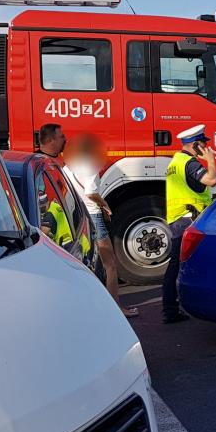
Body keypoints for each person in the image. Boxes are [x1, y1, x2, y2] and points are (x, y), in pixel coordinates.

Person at [64, 135, 138, 317]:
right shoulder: (90, 165)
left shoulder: (68, 166)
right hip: (94, 216)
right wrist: (104, 205)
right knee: (110, 264)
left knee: (87, 262)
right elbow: (91, 192)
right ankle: (117, 308)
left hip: (78, 216)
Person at [161, 124, 216, 324]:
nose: (206, 148)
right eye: (203, 144)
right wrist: (211, 161)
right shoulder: (191, 163)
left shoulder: (176, 161)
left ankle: (171, 308)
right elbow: (212, 180)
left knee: (177, 265)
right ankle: (174, 309)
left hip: (179, 219)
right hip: (188, 219)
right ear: (195, 145)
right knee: (183, 264)